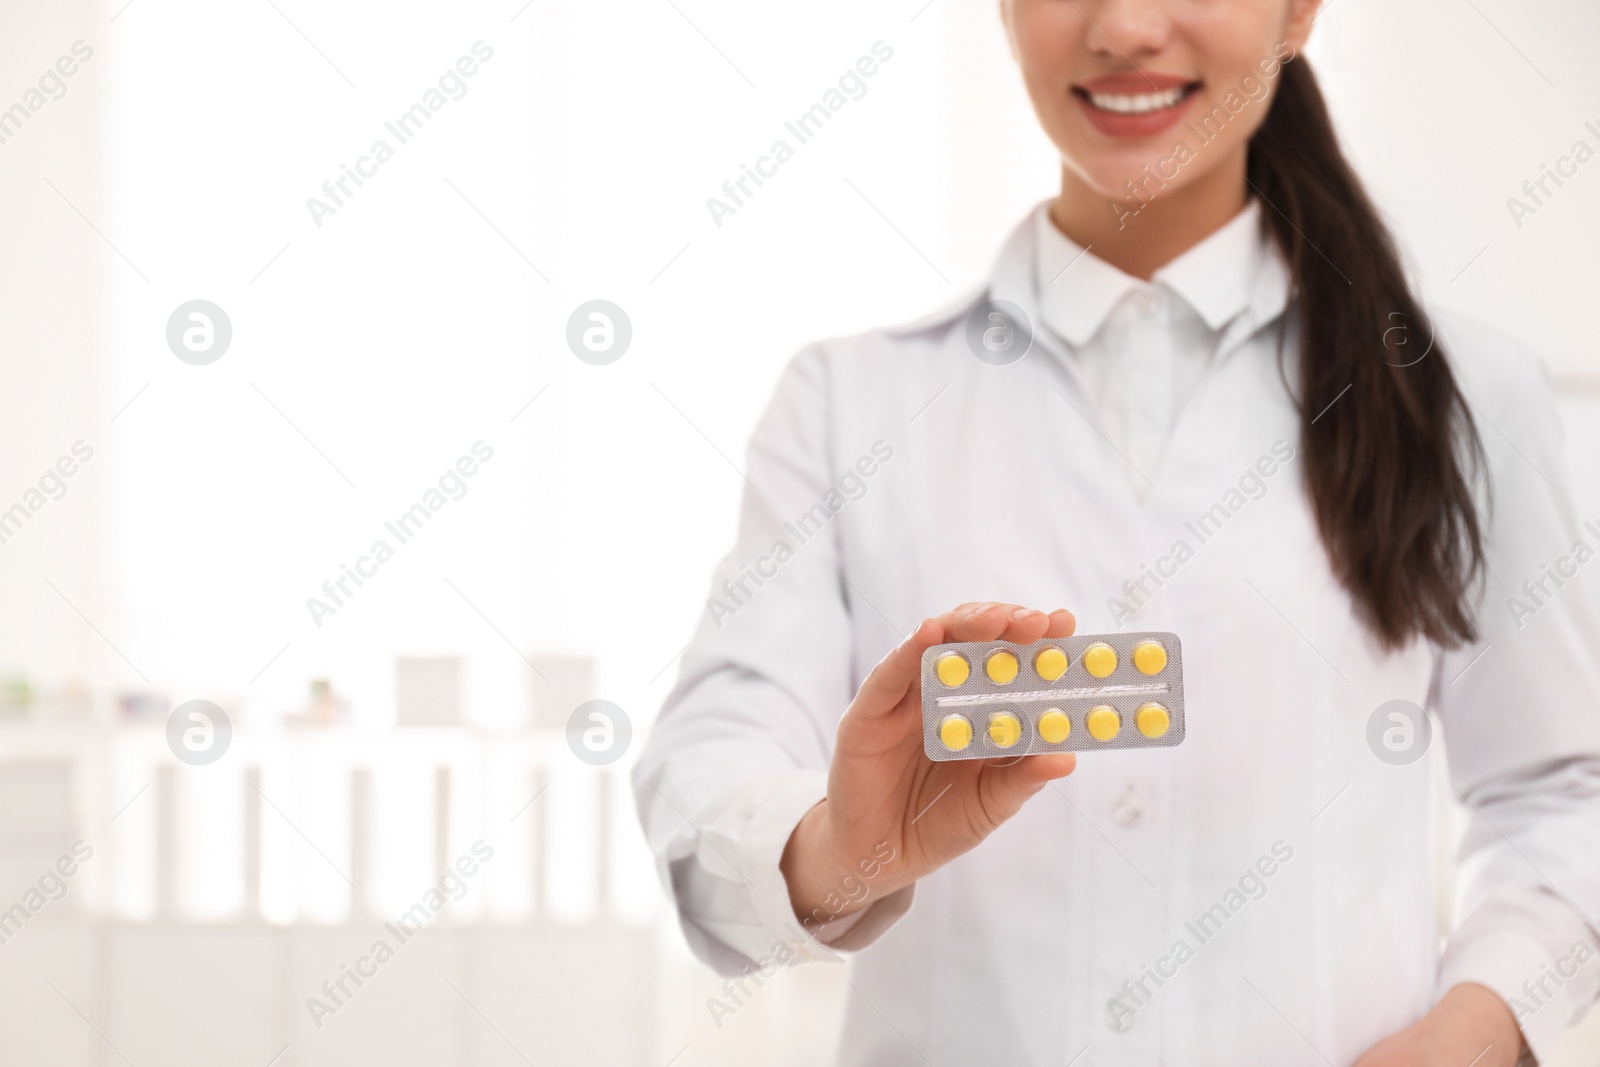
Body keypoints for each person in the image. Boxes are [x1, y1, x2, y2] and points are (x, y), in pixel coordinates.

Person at [632, 1, 1600, 1063]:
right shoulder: (847, 405)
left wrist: (1477, 1027)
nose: (1127, 27)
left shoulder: (1464, 395)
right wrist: (836, 846)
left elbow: (1564, 788)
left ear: (1299, 11)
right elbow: (709, 757)